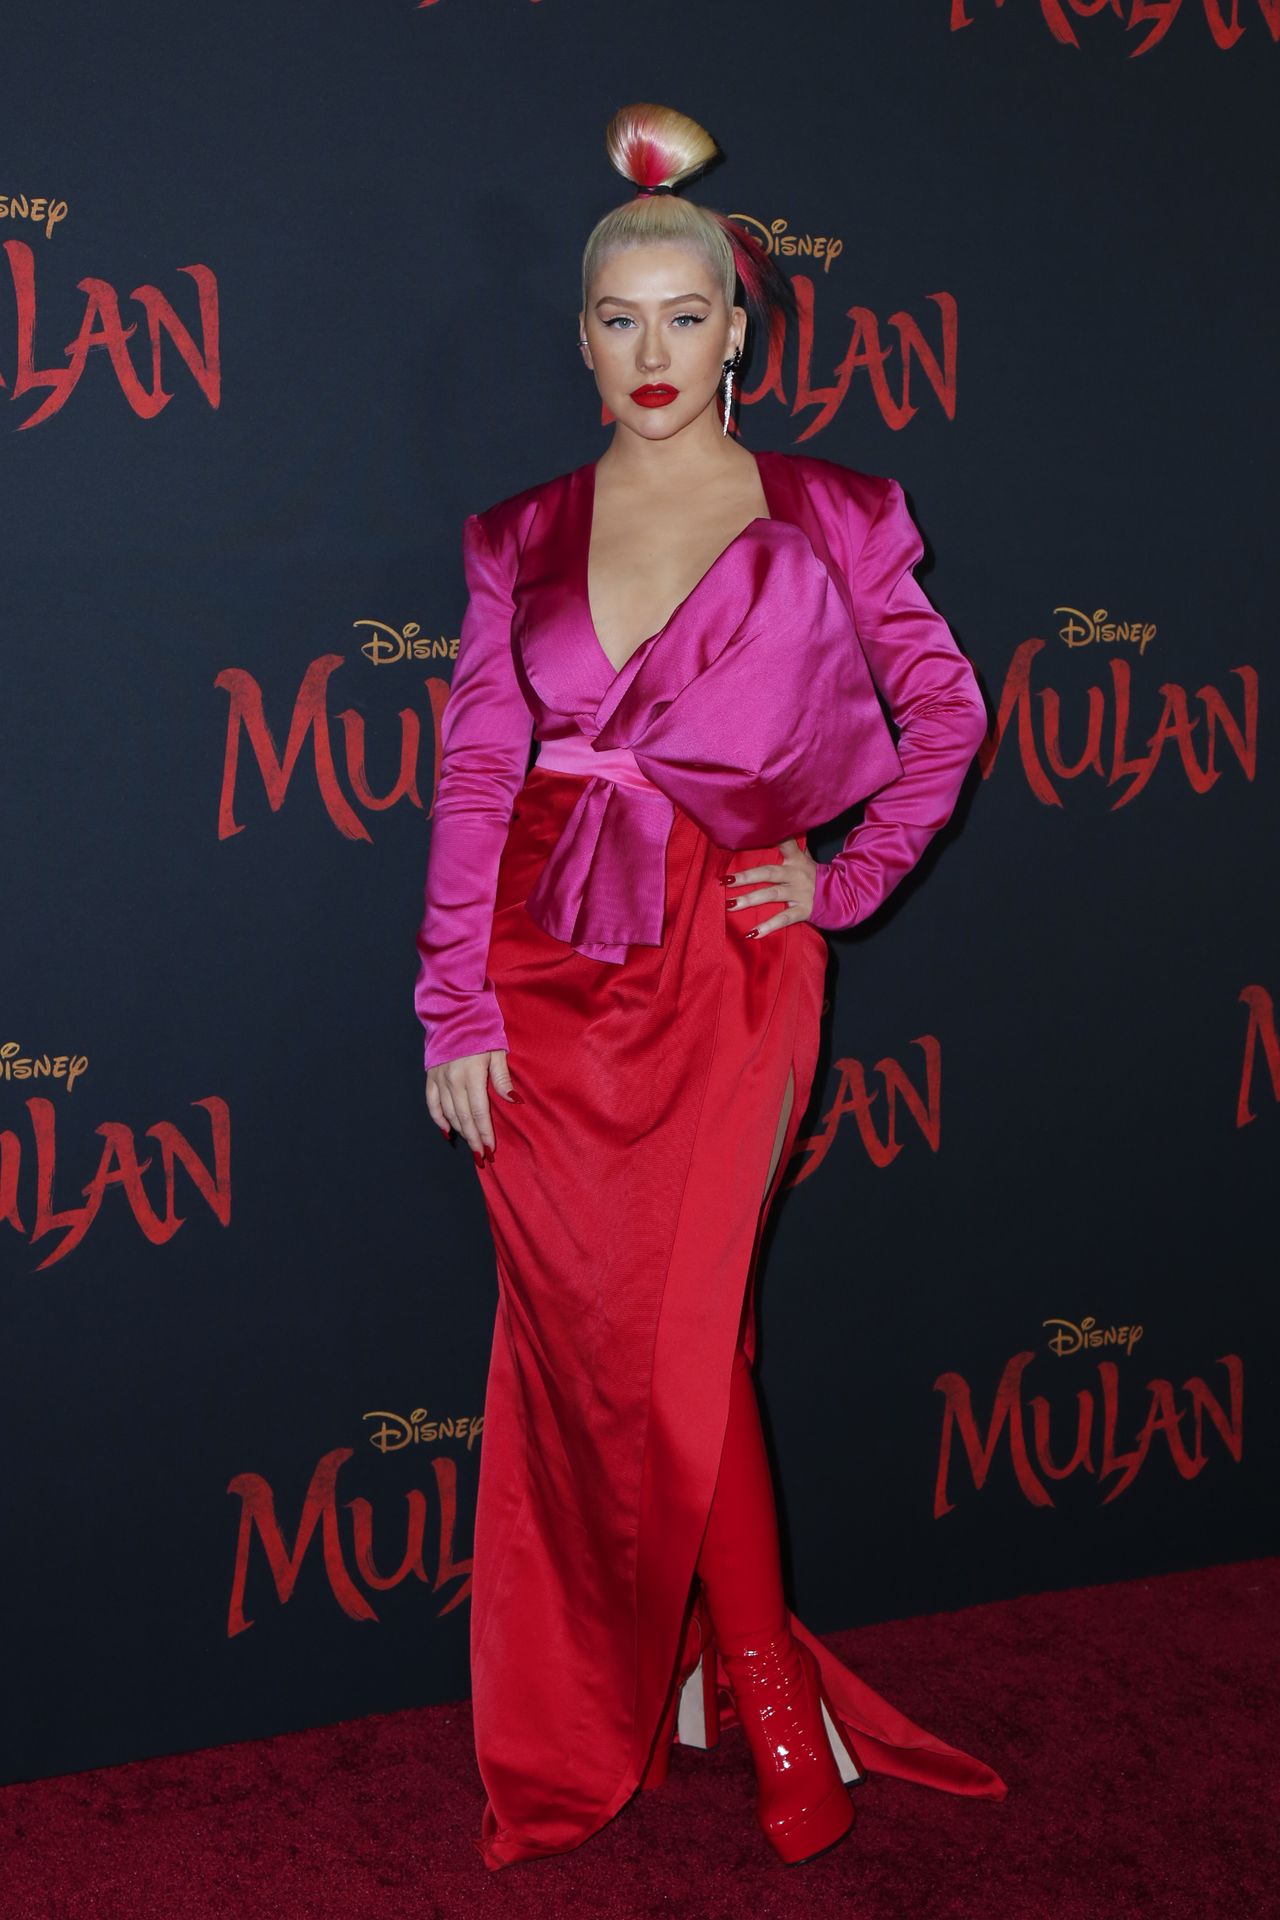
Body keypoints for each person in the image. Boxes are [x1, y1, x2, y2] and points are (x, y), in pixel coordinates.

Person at [413, 101, 1007, 1873]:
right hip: (543, 963)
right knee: (616, 1348)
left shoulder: (831, 510)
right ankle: (701, 1678)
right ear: (583, 338)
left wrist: (845, 879)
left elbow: (946, 716)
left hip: (731, 958)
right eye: (620, 320)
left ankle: (766, 1695)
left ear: (742, 328)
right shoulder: (519, 534)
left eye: (686, 316)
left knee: (677, 1340)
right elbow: (475, 775)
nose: (654, 351)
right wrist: (456, 1004)